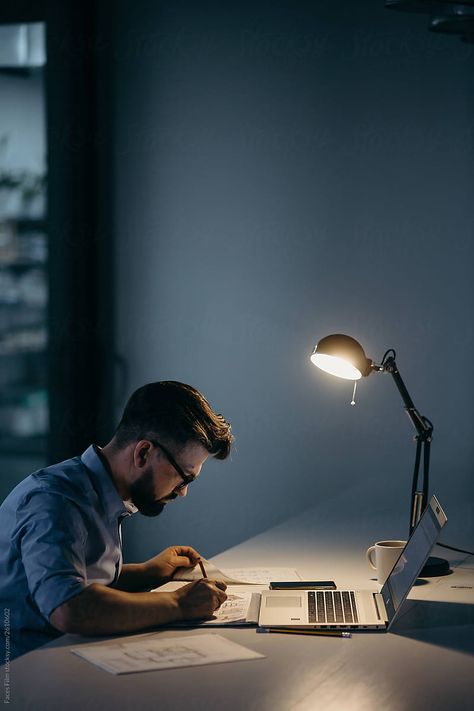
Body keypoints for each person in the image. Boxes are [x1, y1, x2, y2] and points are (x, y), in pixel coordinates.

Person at [0, 381, 234, 660]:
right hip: (20, 677)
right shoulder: (54, 500)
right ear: (143, 453)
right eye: (183, 477)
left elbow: (80, 577)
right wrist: (178, 603)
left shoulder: (99, 493)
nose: (183, 492)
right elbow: (69, 607)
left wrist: (148, 572)